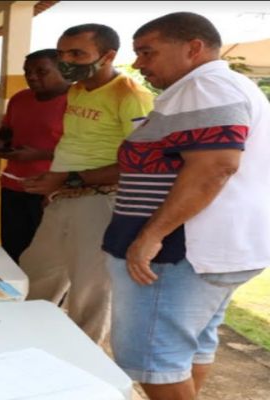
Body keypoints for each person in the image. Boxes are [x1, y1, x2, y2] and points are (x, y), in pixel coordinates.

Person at [102, 13, 270, 400]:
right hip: (204, 250)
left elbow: (215, 167)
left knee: (155, 359)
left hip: (177, 252)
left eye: (148, 52)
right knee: (190, 347)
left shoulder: (206, 86)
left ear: (193, 48)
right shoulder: (217, 86)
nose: (139, 63)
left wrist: (151, 235)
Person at [19, 24, 154, 344]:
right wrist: (58, 185)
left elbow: (142, 162)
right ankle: (25, 340)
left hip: (102, 200)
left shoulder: (131, 96)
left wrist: (67, 179)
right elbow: (75, 143)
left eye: (77, 54)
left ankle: (84, 356)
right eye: (62, 54)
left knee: (90, 289)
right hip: (65, 197)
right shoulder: (77, 89)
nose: (66, 61)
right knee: (37, 274)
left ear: (108, 56)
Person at [0, 49, 69, 263]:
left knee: (45, 255)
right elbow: (8, 129)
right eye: (27, 72)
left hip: (51, 189)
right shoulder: (20, 98)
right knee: (13, 247)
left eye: (41, 71)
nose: (32, 77)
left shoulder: (78, 102)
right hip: (13, 185)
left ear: (63, 70)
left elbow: (85, 149)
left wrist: (39, 155)